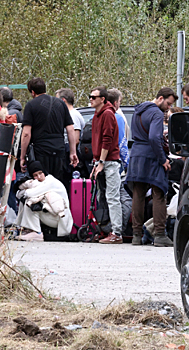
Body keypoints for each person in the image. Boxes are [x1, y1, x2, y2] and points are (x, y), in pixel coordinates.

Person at [126, 87, 178, 247]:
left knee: (138, 194)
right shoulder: (156, 113)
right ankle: (160, 235)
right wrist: (163, 159)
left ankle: (136, 235)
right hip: (152, 156)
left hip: (136, 154)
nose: (168, 108)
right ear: (160, 98)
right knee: (159, 193)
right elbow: (154, 138)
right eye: (168, 104)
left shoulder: (138, 111)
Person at [20, 78, 78, 182]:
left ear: (32, 92)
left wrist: (22, 156)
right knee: (58, 182)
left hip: (40, 150)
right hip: (59, 149)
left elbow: (26, 134)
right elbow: (70, 129)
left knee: (42, 182)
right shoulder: (60, 103)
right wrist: (72, 152)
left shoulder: (31, 105)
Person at [89, 86, 124, 244]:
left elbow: (107, 139)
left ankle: (117, 232)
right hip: (101, 161)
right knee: (101, 196)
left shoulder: (108, 114)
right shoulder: (97, 114)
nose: (90, 99)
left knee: (112, 197)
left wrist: (101, 161)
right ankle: (105, 228)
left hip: (109, 161)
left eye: (93, 97)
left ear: (102, 99)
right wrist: (97, 162)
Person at [15, 161, 73, 241]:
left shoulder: (50, 182)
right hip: (54, 215)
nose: (39, 177)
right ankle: (23, 229)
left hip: (60, 220)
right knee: (26, 201)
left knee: (30, 203)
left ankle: (36, 232)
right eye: (35, 175)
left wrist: (26, 187)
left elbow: (29, 194)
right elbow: (19, 195)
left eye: (40, 173)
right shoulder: (41, 183)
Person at [56, 88, 86, 192]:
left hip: (70, 153)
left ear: (63, 100)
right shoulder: (70, 114)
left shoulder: (72, 115)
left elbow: (75, 138)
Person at [107, 88, 130, 174]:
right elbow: (121, 142)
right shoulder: (117, 118)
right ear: (115, 103)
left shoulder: (95, 117)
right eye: (120, 101)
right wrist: (126, 163)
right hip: (113, 161)